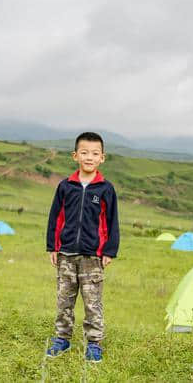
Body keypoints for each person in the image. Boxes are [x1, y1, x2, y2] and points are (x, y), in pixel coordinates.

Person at [45, 132, 120, 363]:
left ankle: (94, 343)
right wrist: (52, 246)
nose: (89, 157)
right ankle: (62, 339)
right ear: (75, 155)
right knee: (64, 299)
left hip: (92, 257)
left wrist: (109, 250)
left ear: (102, 158)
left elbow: (112, 221)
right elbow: (55, 217)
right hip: (66, 254)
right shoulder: (65, 186)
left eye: (95, 153)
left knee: (92, 302)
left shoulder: (105, 189)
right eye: (85, 152)